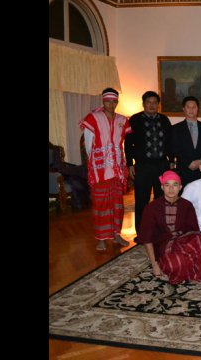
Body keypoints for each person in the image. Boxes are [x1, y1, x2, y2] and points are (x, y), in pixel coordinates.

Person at [136, 170, 201, 284]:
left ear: (180, 187)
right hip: (164, 246)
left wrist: (186, 245)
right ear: (162, 187)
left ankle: (186, 260)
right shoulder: (151, 208)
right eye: (167, 185)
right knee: (173, 265)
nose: (171, 189)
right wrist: (154, 265)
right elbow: (146, 239)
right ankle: (187, 262)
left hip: (183, 243)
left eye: (175, 185)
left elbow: (194, 231)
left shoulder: (187, 205)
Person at [80, 88, 132, 252]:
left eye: (114, 101)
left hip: (117, 168)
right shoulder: (93, 118)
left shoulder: (123, 120)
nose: (111, 104)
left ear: (117, 101)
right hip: (100, 169)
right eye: (108, 100)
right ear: (103, 101)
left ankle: (116, 234)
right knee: (101, 203)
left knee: (117, 204)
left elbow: (124, 143)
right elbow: (88, 145)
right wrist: (94, 164)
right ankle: (101, 238)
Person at [125, 91, 173, 236]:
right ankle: (141, 232)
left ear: (158, 104)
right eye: (149, 102)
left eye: (154, 103)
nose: (152, 105)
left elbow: (170, 142)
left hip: (161, 166)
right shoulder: (134, 120)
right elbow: (128, 144)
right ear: (143, 103)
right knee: (141, 200)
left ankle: (159, 230)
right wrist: (130, 164)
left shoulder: (164, 120)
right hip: (142, 166)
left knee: (161, 199)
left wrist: (171, 162)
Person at [171, 96, 201, 189]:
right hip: (184, 171)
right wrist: (188, 163)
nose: (191, 110)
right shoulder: (175, 128)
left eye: (194, 107)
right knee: (184, 201)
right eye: (188, 107)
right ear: (183, 109)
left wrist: (200, 161)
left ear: (197, 109)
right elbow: (174, 149)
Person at [49, 141, 90, 210]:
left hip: (61, 170)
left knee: (73, 178)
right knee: (80, 171)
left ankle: (79, 203)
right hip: (56, 172)